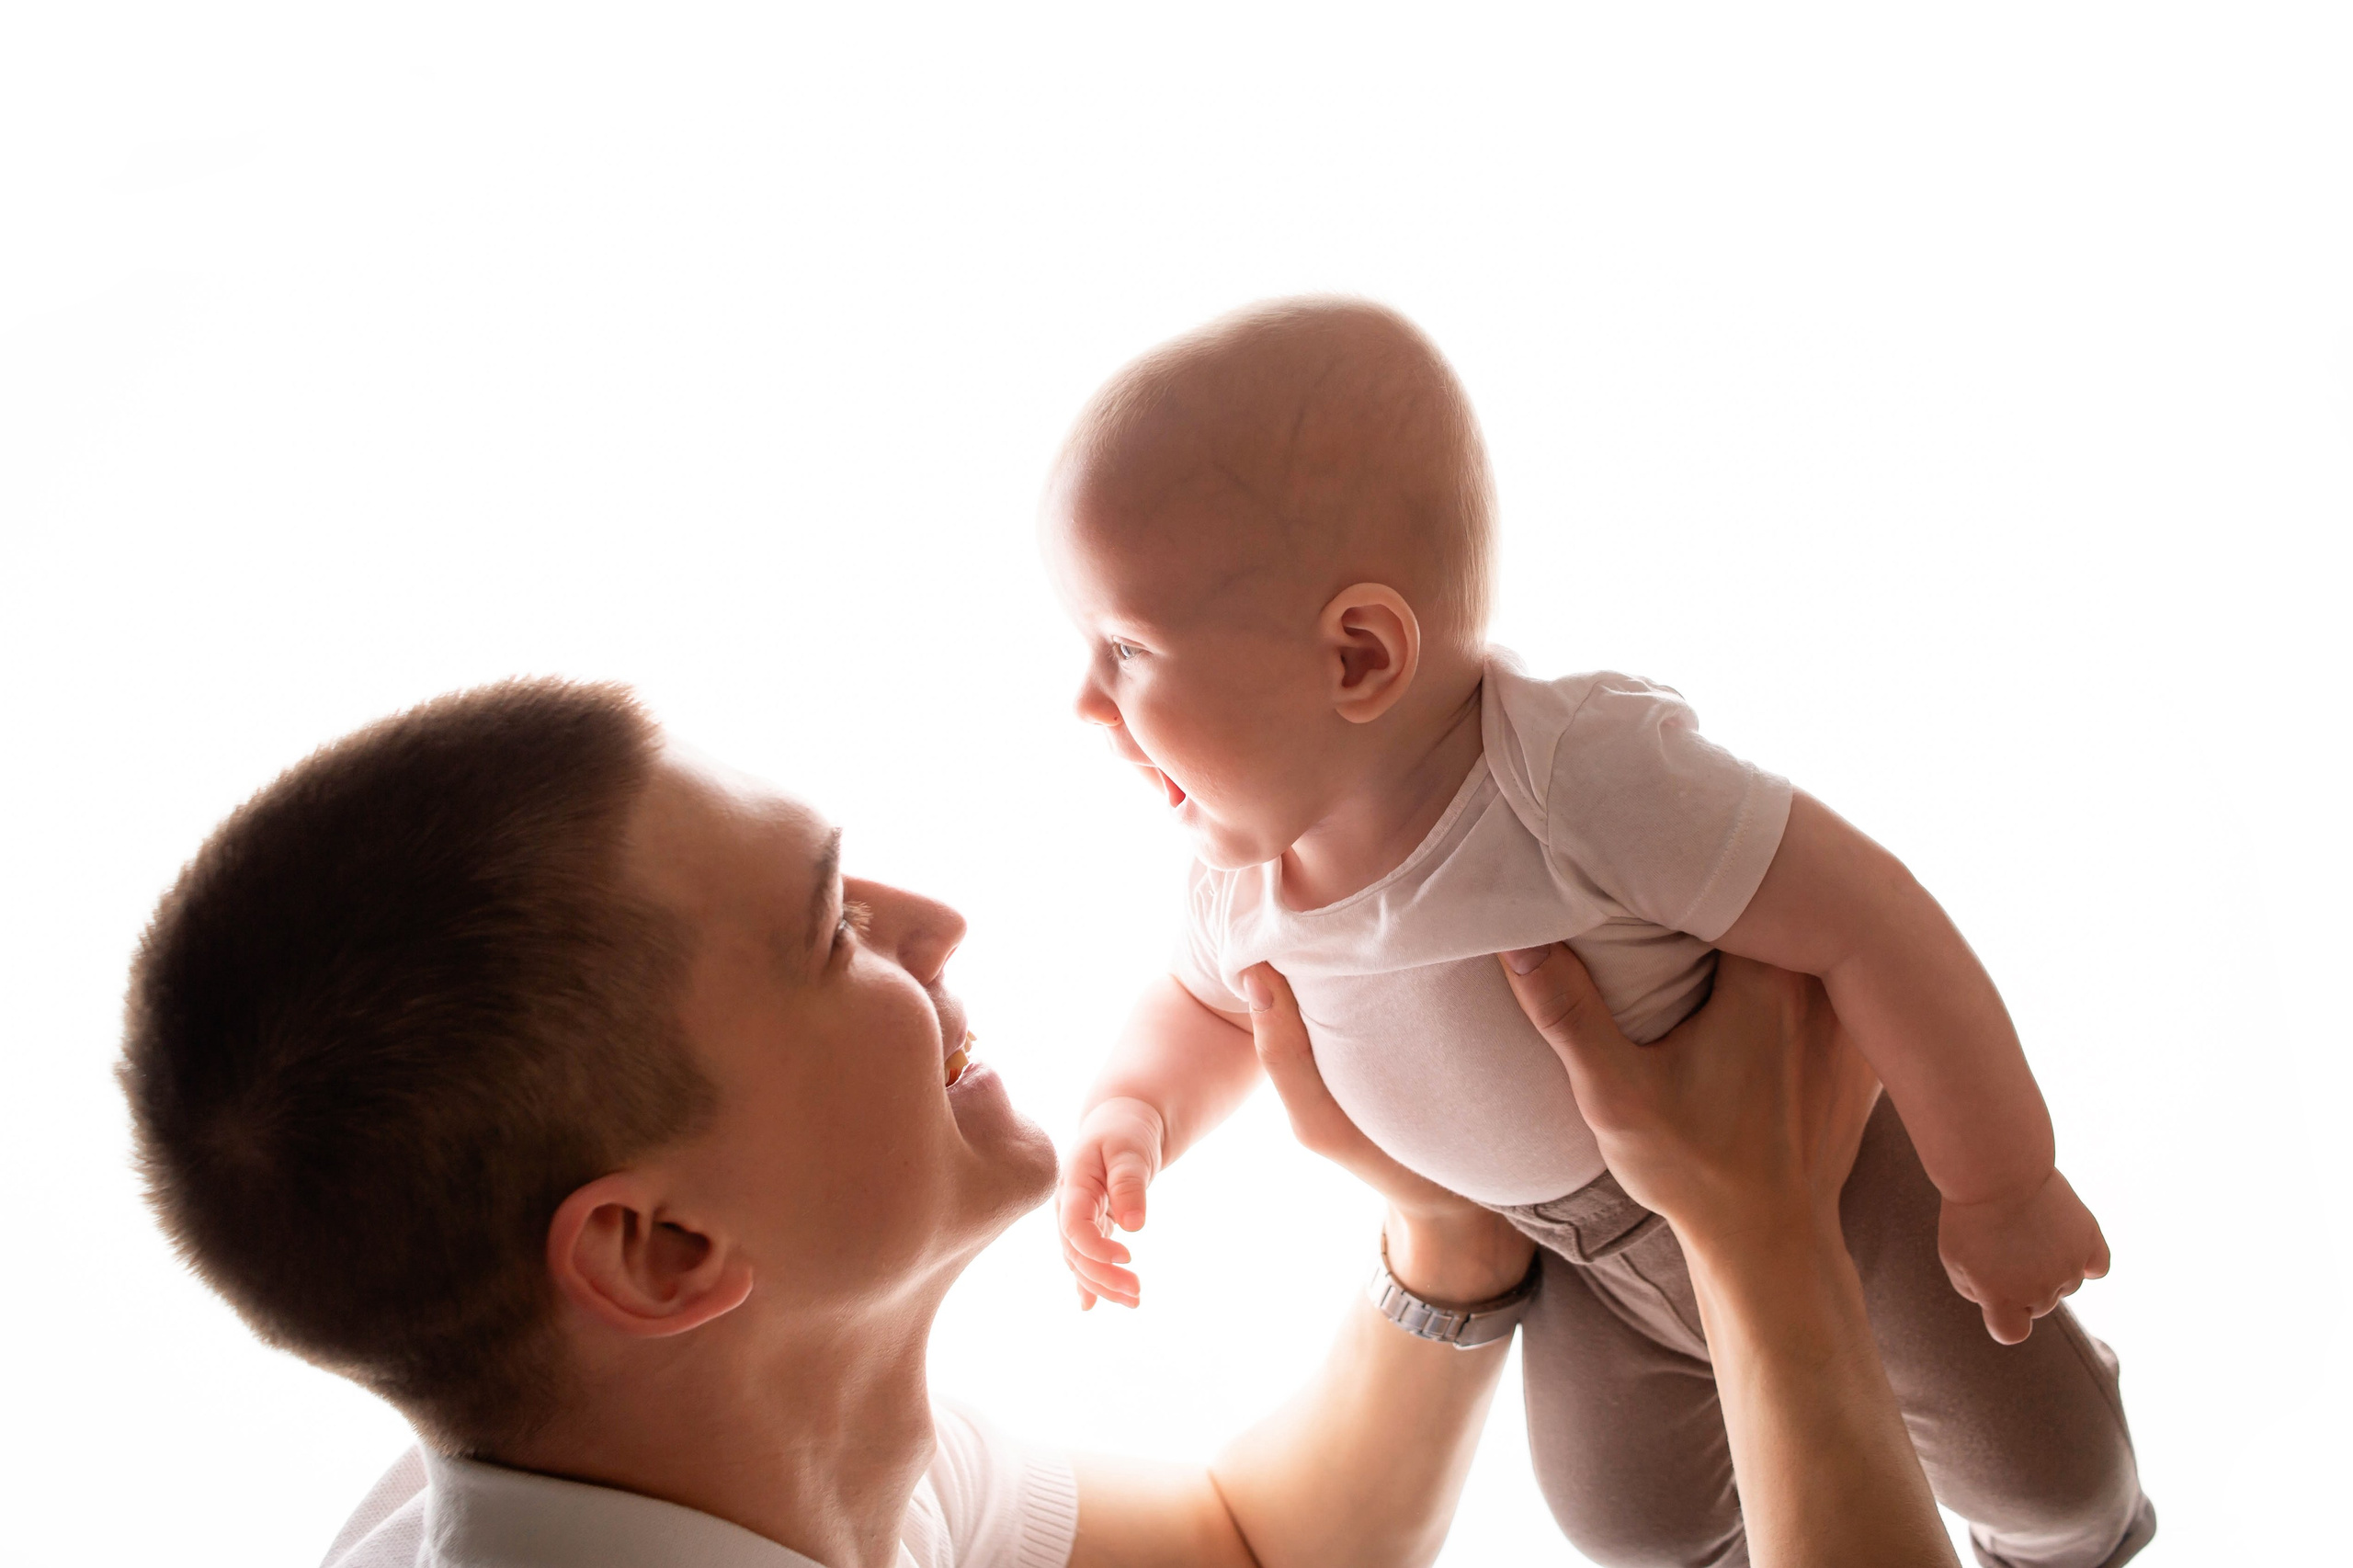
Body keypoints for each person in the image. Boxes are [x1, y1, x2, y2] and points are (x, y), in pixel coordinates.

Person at [122, 679, 1957, 1568]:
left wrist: (1447, 1223)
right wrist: (1760, 1245)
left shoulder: (716, 1452)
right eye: (831, 927)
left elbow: (1250, 1549)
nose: (935, 927)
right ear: (658, 1245)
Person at [1044, 298, 2155, 1566]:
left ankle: (2068, 1539)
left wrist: (2000, 1181)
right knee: (1630, 1521)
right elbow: (1197, 1009)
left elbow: (1872, 920)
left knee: (2052, 1470)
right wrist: (1130, 1114)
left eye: (1126, 648)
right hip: (1576, 1249)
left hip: (1835, 1180)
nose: (1085, 700)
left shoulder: (1575, 779)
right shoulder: (1237, 868)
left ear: (1358, 654)